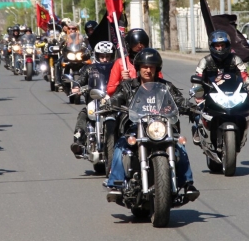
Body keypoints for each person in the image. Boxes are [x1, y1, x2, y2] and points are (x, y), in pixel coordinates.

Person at [105, 48, 199, 201]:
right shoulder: (128, 86)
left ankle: (187, 183)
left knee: (179, 146)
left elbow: (179, 99)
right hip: (136, 128)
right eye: (145, 67)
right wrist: (110, 104)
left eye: (152, 67)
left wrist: (190, 107)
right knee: (121, 146)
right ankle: (116, 183)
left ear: (157, 69)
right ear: (138, 68)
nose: (148, 70)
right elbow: (117, 97)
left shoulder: (166, 86)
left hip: (161, 128)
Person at [192, 30, 249, 143]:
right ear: (212, 46)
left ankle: (242, 132)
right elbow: (198, 79)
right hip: (210, 93)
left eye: (222, 45)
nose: (220, 48)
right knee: (198, 110)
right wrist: (198, 94)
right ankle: (198, 128)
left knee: (244, 108)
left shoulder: (236, 59)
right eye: (217, 46)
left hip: (232, 92)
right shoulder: (204, 61)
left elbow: (245, 76)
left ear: (227, 45)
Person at [69, 41, 115, 155]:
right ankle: (78, 142)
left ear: (112, 56)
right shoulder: (89, 68)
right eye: (102, 56)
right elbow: (80, 80)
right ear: (97, 56)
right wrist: (76, 87)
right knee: (84, 114)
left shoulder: (115, 68)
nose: (105, 59)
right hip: (94, 101)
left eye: (108, 56)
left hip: (112, 100)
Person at [106, 28, 162, 96]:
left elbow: (161, 85)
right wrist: (122, 83)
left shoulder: (151, 61)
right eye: (135, 44)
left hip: (149, 100)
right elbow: (110, 91)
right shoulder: (120, 63)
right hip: (128, 103)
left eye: (142, 43)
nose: (140, 46)